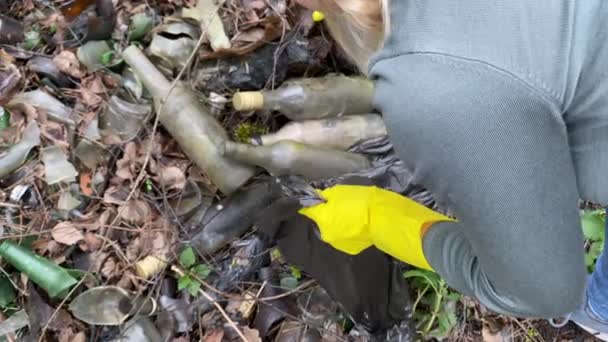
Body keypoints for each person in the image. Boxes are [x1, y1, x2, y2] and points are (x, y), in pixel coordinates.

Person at [293, 0, 608, 339]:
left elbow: (542, 290)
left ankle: (598, 311)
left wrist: (384, 221)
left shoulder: (440, 82)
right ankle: (601, 308)